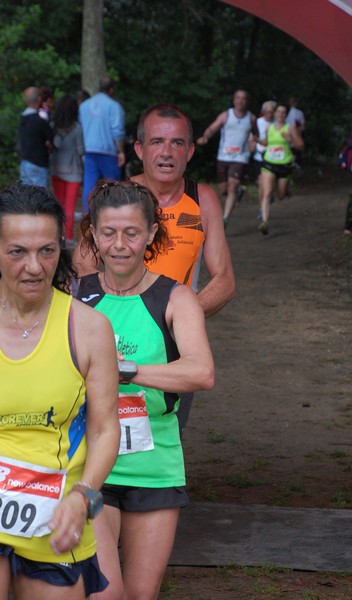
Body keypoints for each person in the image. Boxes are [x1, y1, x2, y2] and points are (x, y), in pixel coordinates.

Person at [75, 179, 215, 600]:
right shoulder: (75, 296)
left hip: (154, 466)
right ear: (94, 236)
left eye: (132, 233)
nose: (120, 245)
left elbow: (201, 372)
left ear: (152, 233)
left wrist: (126, 370)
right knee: (105, 594)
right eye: (109, 233)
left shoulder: (175, 297)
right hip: (90, 465)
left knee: (140, 594)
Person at [73, 102, 235, 433]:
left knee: (162, 429)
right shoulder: (112, 197)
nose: (166, 152)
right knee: (97, 426)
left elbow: (224, 279)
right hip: (111, 334)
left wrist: (177, 318)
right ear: (139, 148)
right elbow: (83, 269)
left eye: (177, 143)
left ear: (190, 151)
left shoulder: (203, 199)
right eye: (156, 142)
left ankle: (156, 482)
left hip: (172, 343)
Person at [0, 181, 120, 599]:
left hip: (57, 513)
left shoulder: (88, 328)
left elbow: (106, 430)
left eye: (46, 251)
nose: (33, 267)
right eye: (17, 251)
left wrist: (85, 495)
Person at [197, 89, 258, 227]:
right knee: (224, 189)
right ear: (234, 100)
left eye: (243, 98)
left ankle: (224, 218)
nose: (240, 101)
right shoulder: (226, 115)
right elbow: (212, 128)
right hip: (223, 156)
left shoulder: (251, 118)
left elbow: (256, 134)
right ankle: (239, 191)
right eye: (237, 98)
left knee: (232, 186)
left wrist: (254, 143)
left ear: (247, 101)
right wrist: (205, 137)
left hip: (240, 157)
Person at [79, 76, 126, 214]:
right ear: (111, 90)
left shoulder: (84, 106)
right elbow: (117, 131)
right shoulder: (114, 107)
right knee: (113, 186)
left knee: (89, 186)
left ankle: (88, 215)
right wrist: (121, 151)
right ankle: (115, 213)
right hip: (108, 152)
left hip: (89, 150)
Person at [258, 103, 304, 235]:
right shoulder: (269, 128)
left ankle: (284, 191)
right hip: (269, 163)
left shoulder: (290, 129)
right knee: (266, 193)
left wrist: (291, 140)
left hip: (284, 165)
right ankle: (264, 222)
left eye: (284, 112)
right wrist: (257, 141)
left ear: (286, 115)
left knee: (280, 195)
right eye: (279, 112)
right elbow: (266, 143)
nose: (281, 114)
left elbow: (301, 146)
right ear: (275, 114)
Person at [50, 94, 84, 246]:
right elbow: (81, 150)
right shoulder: (77, 128)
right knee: (70, 208)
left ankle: (57, 237)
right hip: (73, 172)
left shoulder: (52, 126)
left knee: (59, 205)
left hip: (56, 170)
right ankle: (69, 238)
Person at [17, 87, 54, 188]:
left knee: (25, 197)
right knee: (40, 198)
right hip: (38, 164)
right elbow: (52, 138)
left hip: (25, 163)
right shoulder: (39, 121)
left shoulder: (22, 119)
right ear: (39, 99)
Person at [252, 101, 276, 217]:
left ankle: (268, 197)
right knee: (261, 184)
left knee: (269, 184)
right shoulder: (257, 122)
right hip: (259, 157)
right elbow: (252, 136)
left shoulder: (277, 123)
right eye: (267, 112)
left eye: (271, 112)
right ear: (263, 112)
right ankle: (262, 208)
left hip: (273, 158)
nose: (269, 114)